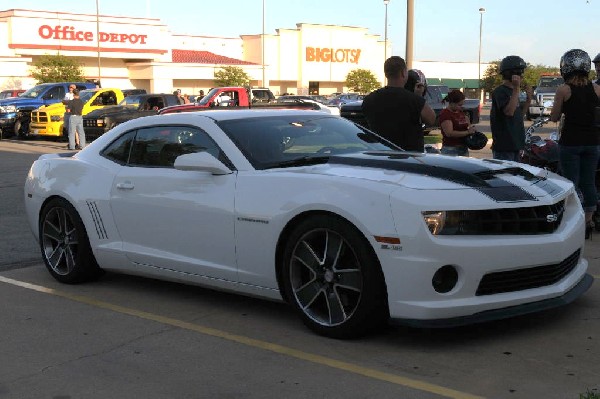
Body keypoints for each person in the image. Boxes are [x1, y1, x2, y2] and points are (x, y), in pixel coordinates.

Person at [550, 49, 600, 238]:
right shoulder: (597, 89)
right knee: (589, 182)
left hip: (570, 142)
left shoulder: (563, 89)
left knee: (571, 183)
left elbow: (555, 116)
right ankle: (588, 221)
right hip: (593, 142)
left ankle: (572, 221)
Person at [362, 56, 436, 152]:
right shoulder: (413, 100)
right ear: (403, 73)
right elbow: (431, 119)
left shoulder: (369, 99)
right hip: (409, 157)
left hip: (380, 155)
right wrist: (419, 96)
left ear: (386, 74)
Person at [490, 55, 533, 161]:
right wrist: (517, 88)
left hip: (516, 145)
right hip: (504, 147)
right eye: (520, 72)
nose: (522, 75)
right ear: (511, 73)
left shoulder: (514, 92)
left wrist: (528, 100)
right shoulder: (500, 91)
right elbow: (508, 112)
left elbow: (518, 115)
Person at [439, 89, 476, 156]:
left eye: (462, 104)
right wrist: (467, 132)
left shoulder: (460, 112)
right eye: (459, 105)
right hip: (451, 149)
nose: (461, 107)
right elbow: (449, 133)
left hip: (463, 147)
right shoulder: (446, 114)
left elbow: (467, 123)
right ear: (452, 102)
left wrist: (471, 128)